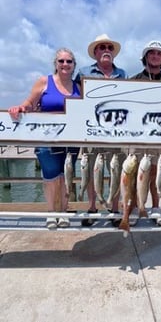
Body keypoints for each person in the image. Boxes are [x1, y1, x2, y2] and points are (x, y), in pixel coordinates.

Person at [8, 48, 81, 229]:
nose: (65, 64)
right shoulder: (44, 82)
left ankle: (63, 212)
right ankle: (51, 213)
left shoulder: (79, 86)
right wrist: (19, 108)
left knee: (65, 176)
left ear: (74, 65)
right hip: (46, 139)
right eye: (61, 61)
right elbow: (29, 104)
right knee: (50, 177)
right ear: (55, 64)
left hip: (71, 140)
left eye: (69, 61)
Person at [75, 34, 127, 227]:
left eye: (109, 47)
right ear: (95, 52)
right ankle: (92, 207)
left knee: (117, 171)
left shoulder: (122, 74)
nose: (106, 50)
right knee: (90, 170)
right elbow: (76, 99)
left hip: (116, 132)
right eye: (102, 47)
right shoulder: (83, 72)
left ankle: (115, 209)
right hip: (92, 131)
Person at [129, 40, 161, 225]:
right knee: (133, 174)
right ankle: (134, 207)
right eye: (152, 52)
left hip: (158, 137)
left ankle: (155, 207)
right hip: (136, 138)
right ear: (145, 56)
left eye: (159, 53)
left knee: (155, 175)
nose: (155, 56)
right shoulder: (133, 80)